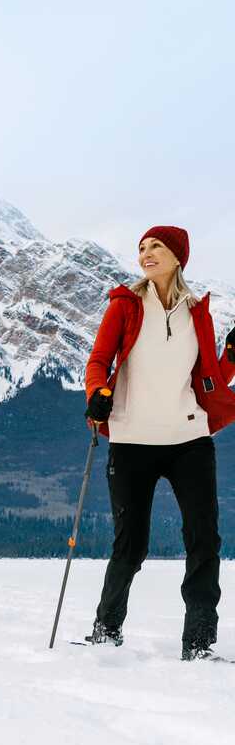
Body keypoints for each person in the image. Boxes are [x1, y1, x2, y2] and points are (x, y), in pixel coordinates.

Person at [84, 226, 235, 660]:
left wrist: (231, 358)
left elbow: (208, 379)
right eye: (142, 248)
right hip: (132, 439)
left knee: (204, 541)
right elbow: (99, 360)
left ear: (178, 257)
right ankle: (106, 629)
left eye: (157, 247)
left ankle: (200, 641)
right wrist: (96, 393)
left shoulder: (197, 313)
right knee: (130, 545)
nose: (146, 254)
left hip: (189, 438)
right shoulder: (126, 306)